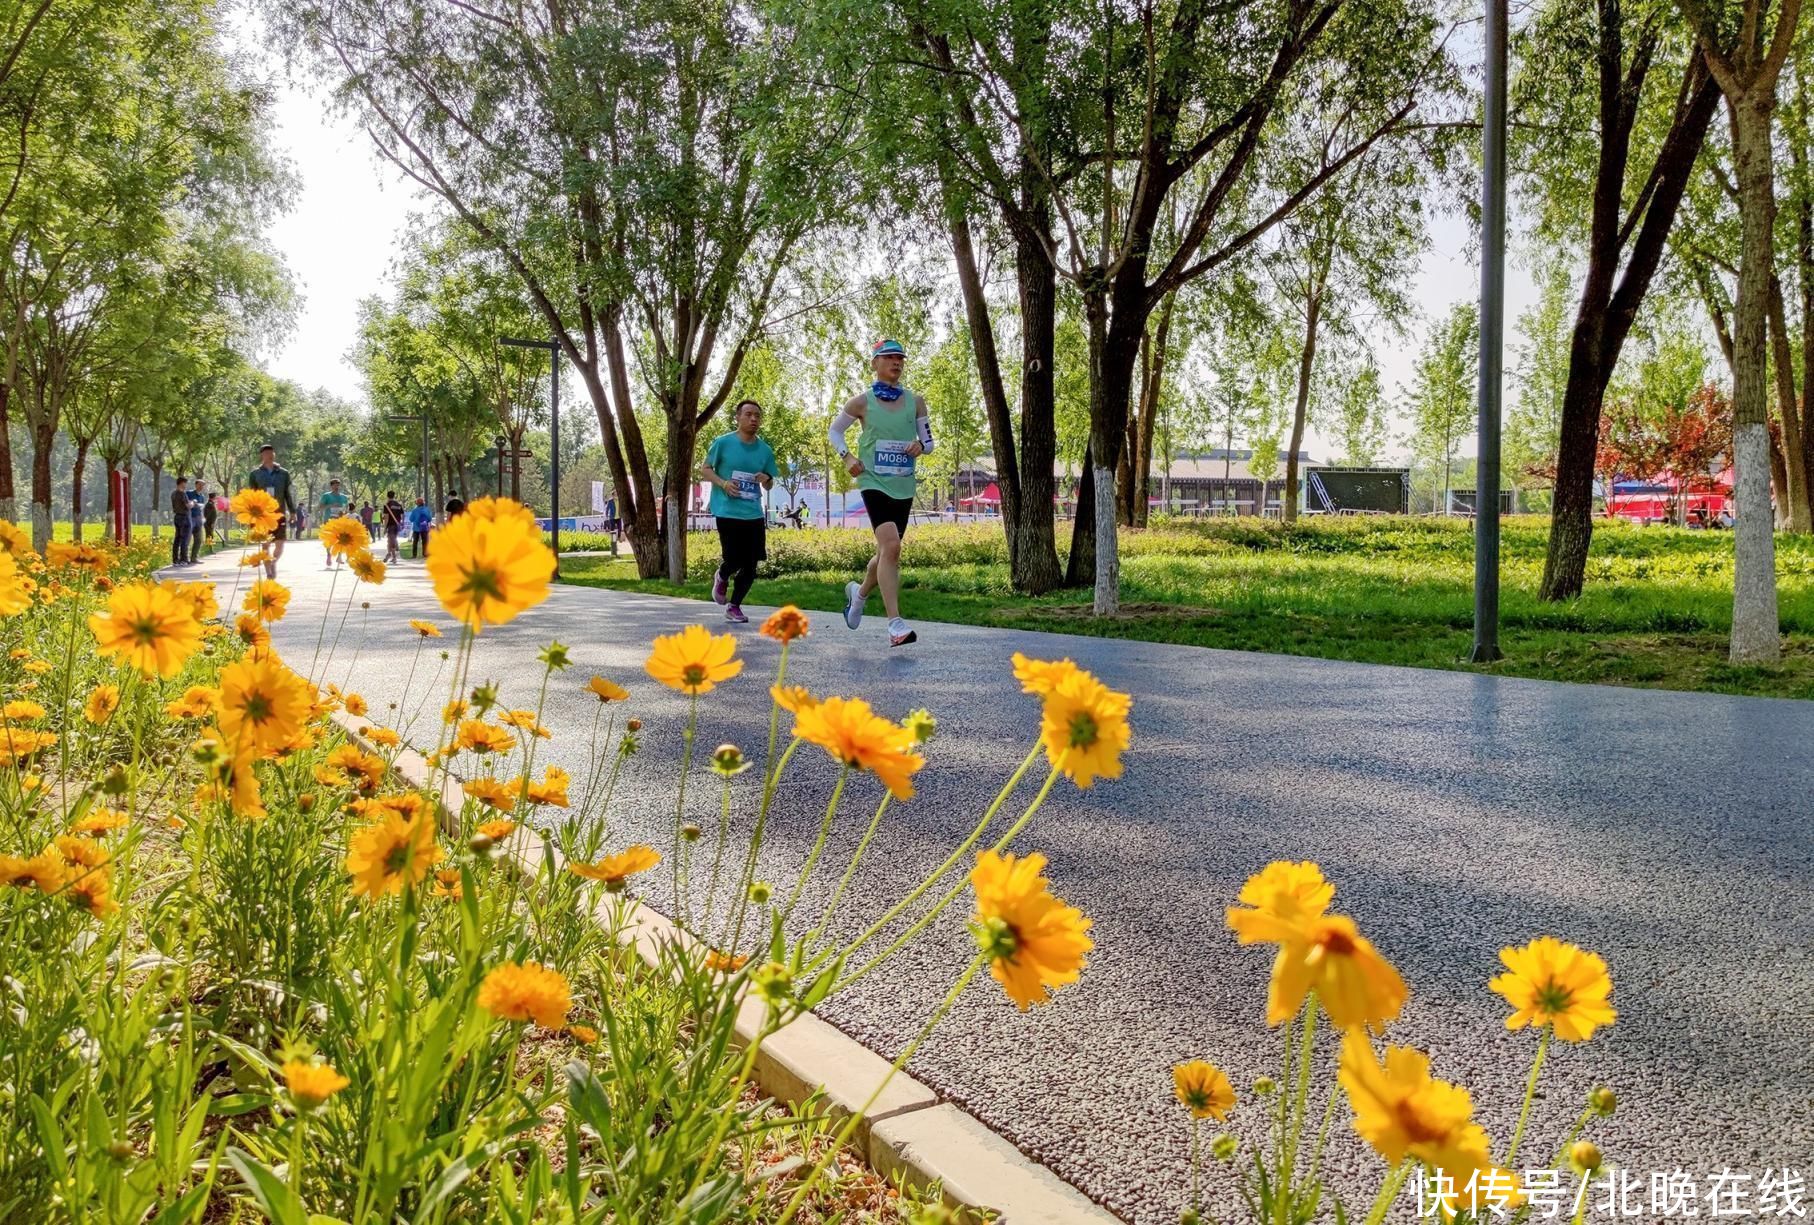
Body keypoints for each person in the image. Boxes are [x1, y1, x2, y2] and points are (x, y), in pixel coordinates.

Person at [829, 339, 933, 647]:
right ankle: (895, 625)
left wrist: (920, 446)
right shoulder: (861, 402)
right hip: (873, 481)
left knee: (886, 552)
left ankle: (858, 596)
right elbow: (835, 431)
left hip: (903, 483)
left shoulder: (916, 401)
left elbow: (928, 442)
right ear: (875, 363)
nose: (896, 362)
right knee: (892, 546)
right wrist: (847, 457)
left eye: (900, 357)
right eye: (889, 357)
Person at [698, 398, 778, 624]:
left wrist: (767, 479)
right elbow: (705, 469)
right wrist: (723, 484)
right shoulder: (723, 443)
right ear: (738, 417)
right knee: (733, 558)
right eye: (748, 414)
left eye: (757, 416)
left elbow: (770, 482)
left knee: (751, 564)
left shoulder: (765, 450)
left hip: (753, 512)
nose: (754, 419)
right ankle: (722, 575)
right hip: (727, 510)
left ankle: (734, 606)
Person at [247, 444, 298, 579]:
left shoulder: (284, 473)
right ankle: (269, 572)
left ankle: (273, 562)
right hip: (262, 515)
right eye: (266, 452)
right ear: (261, 455)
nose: (269, 454)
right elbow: (252, 495)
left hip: (279, 513)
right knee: (265, 544)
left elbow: (287, 493)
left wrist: (292, 511)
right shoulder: (255, 474)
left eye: (271, 452)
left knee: (280, 544)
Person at [318, 478, 352, 568]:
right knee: (329, 539)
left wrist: (344, 513)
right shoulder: (326, 496)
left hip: (340, 521)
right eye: (334, 484)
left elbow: (346, 509)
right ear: (331, 486)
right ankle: (329, 554)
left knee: (342, 539)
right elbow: (320, 507)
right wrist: (331, 505)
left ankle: (339, 556)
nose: (336, 486)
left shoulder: (344, 497)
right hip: (329, 520)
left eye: (338, 484)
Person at [169, 476, 193, 568]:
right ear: (182, 483)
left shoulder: (173, 494)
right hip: (184, 517)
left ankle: (175, 560)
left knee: (177, 539)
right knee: (185, 539)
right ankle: (184, 559)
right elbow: (188, 505)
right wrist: (193, 503)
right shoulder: (182, 494)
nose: (186, 485)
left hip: (177, 517)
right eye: (185, 483)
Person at [186, 479, 207, 563]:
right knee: (187, 538)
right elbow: (186, 503)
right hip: (190, 518)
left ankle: (194, 557)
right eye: (200, 485)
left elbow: (201, 508)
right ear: (196, 485)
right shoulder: (189, 493)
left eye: (203, 485)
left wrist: (202, 518)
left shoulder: (202, 496)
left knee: (198, 539)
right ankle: (184, 558)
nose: (201, 487)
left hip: (198, 518)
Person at [381, 490, 405, 563]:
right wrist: (402, 523)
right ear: (394, 496)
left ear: (387, 496)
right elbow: (403, 515)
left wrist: (384, 528)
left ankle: (393, 557)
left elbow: (386, 518)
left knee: (391, 540)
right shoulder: (398, 504)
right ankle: (389, 554)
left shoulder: (387, 505)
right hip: (397, 525)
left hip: (390, 525)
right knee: (391, 540)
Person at [200, 479, 219, 545]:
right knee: (209, 535)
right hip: (209, 523)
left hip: (210, 523)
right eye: (215, 497)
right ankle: (209, 547)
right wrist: (212, 523)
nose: (216, 499)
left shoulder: (211, 504)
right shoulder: (209, 505)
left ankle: (210, 547)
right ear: (212, 498)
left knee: (210, 535)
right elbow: (209, 515)